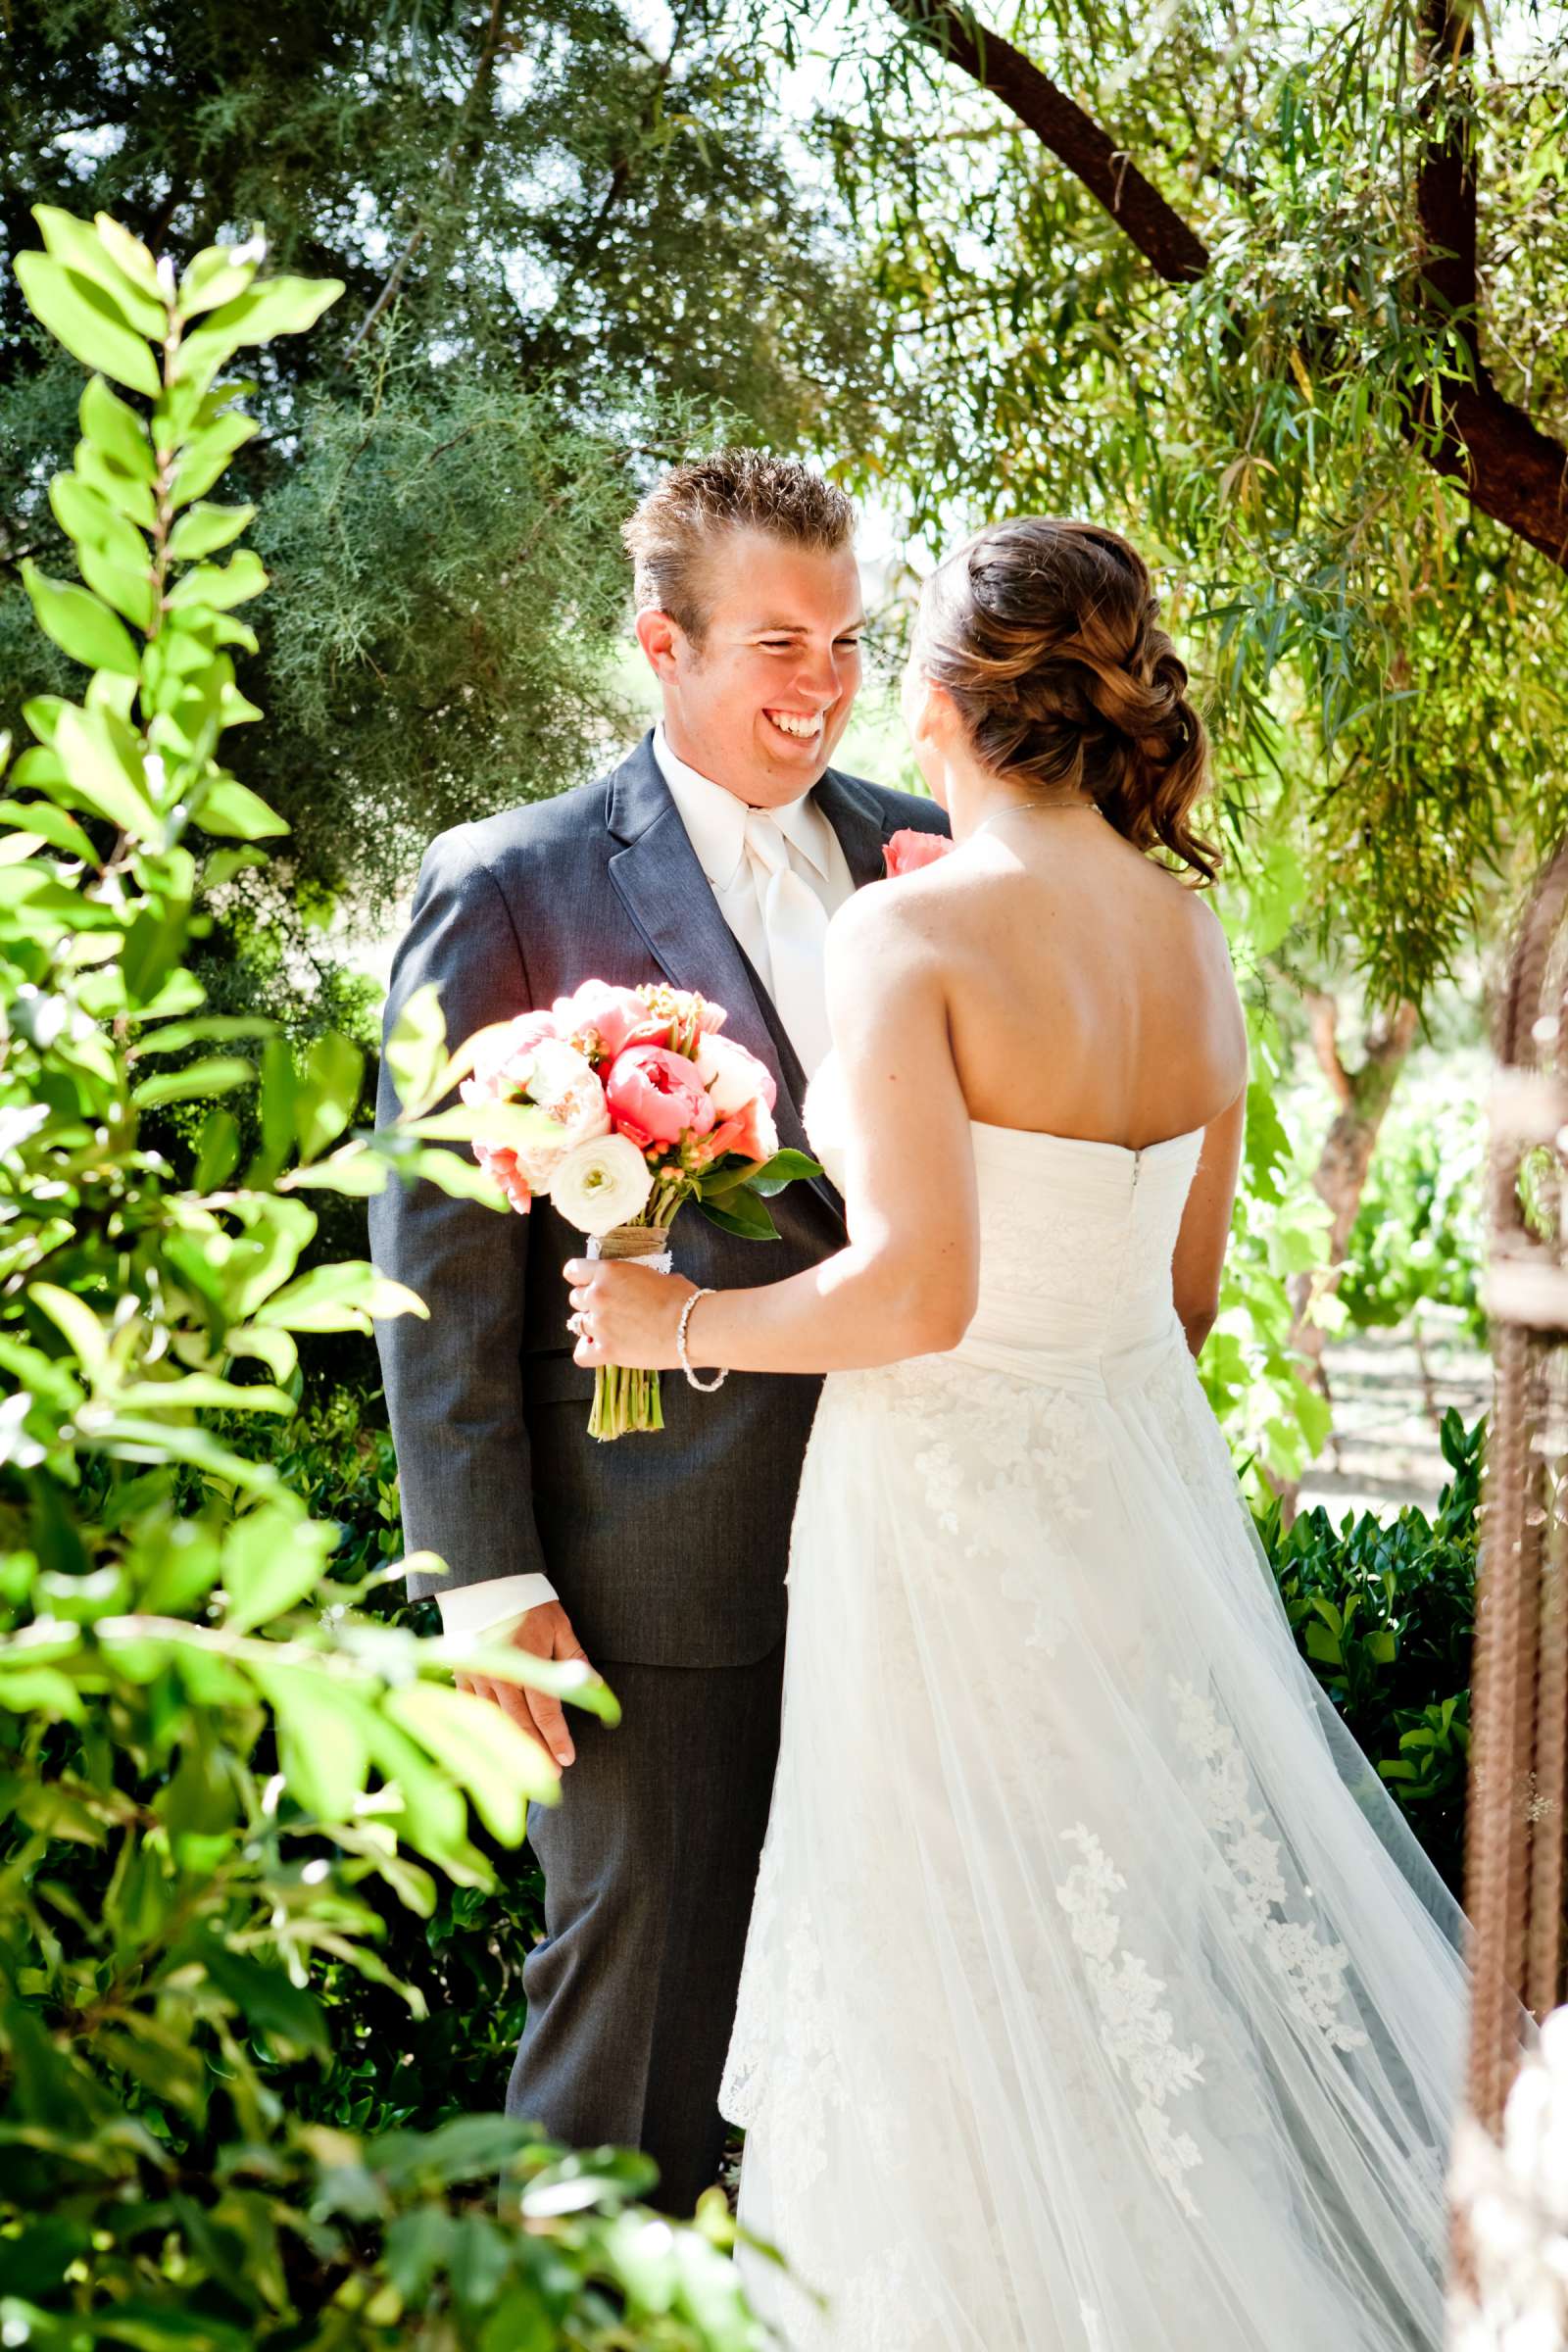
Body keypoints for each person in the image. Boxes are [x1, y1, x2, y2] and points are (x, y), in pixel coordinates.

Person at [564, 517, 1469, 2347]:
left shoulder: (910, 932)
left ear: (950, 697)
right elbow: (1187, 1302)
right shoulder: (1187, 926)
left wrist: (679, 1320)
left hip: (947, 1526)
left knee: (953, 1975)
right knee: (1119, 1960)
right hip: (1134, 1505)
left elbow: (915, 1298)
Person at [367, 451, 948, 2216]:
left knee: (890, 2027)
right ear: (660, 645)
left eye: (846, 643)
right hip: (649, 1567)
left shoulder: (915, 857)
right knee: (632, 2047)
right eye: (779, 642)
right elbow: (439, 1249)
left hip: (921, 1544)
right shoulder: (514, 882)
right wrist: (484, 1581)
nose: (823, 685)